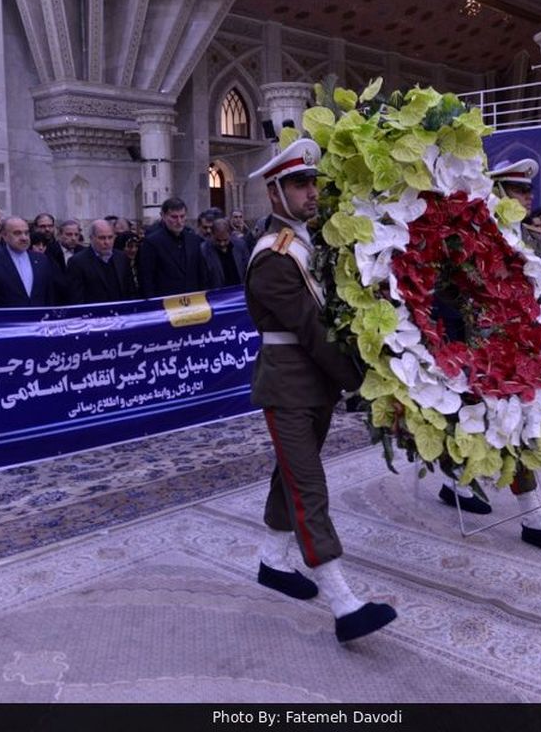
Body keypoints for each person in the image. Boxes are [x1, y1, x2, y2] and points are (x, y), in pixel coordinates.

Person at [245, 138, 396, 644]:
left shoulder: (309, 245)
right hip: (288, 387)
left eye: (313, 183)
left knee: (289, 477)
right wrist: (365, 383)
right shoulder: (274, 257)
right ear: (274, 194)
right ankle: (343, 602)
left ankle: (271, 560)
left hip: (314, 386)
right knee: (309, 486)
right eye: (298, 184)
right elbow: (312, 329)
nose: (312, 192)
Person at [137, 197, 208, 298]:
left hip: (193, 303)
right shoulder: (152, 242)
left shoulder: (194, 240)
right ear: (163, 216)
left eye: (182, 216)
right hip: (165, 304)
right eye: (174, 217)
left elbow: (201, 274)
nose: (179, 221)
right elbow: (146, 279)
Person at [0, 217, 55, 307]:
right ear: (4, 236)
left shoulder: (41, 260)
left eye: (26, 233)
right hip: (7, 319)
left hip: (38, 319)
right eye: (17, 233)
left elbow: (49, 297)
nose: (24, 238)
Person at [66, 220, 135, 304]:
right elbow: (76, 298)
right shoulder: (77, 262)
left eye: (110, 237)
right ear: (91, 238)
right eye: (102, 238)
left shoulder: (121, 258)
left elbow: (130, 290)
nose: (107, 242)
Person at [202, 218, 249, 288]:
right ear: (212, 235)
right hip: (216, 295)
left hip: (239, 293)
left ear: (230, 234)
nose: (222, 244)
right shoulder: (204, 250)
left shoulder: (240, 245)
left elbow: (247, 270)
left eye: (225, 240)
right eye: (218, 240)